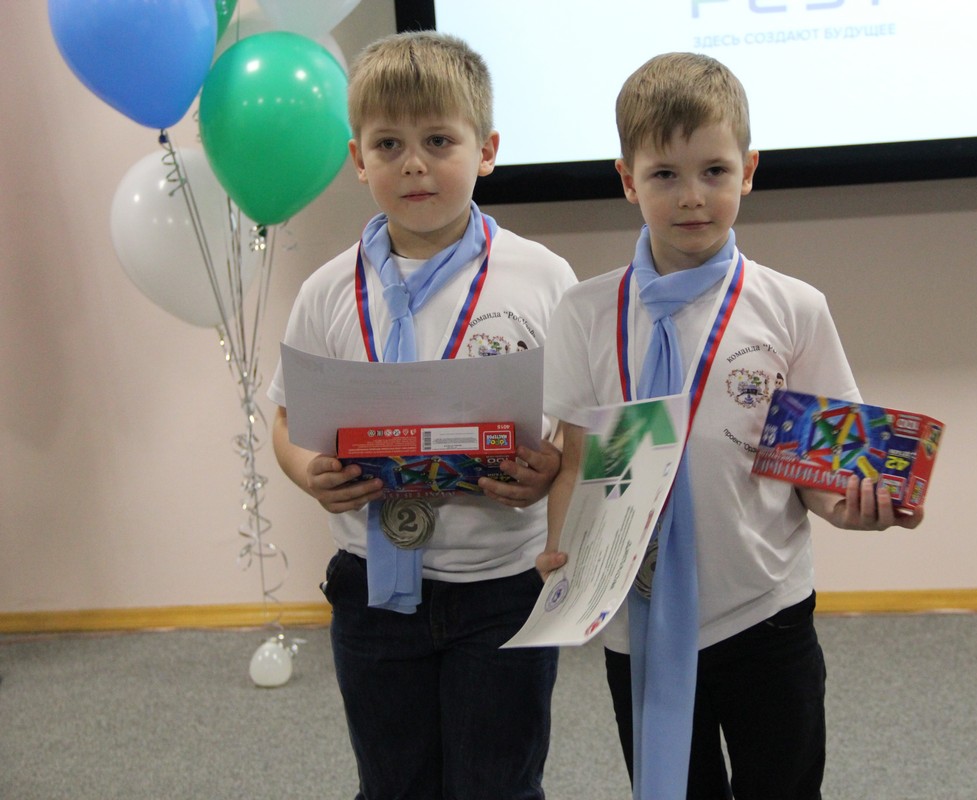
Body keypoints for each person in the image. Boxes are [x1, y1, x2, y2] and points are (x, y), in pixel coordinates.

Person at [539, 52, 923, 800]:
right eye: (664, 174)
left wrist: (853, 508)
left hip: (764, 613)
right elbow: (577, 455)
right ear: (627, 180)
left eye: (714, 171)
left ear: (748, 171)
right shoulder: (585, 313)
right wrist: (563, 552)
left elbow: (818, 470)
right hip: (638, 619)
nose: (692, 196)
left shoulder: (792, 308)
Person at [267, 32, 577, 800]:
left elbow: (577, 422)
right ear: (357, 159)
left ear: (487, 150)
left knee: (498, 784)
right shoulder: (327, 290)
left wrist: (551, 468)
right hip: (371, 589)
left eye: (439, 140)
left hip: (501, 585)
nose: (414, 163)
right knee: (392, 784)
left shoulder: (542, 277)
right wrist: (307, 471)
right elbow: (285, 420)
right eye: (389, 144)